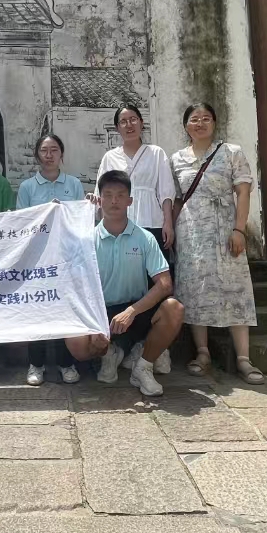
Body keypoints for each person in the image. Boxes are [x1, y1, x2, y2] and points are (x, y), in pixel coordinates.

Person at [63, 170, 185, 396]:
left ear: (130, 200)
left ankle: (143, 366)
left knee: (174, 308)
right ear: (99, 200)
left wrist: (132, 311)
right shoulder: (87, 241)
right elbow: (77, 288)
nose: (114, 201)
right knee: (76, 342)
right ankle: (109, 353)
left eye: (120, 195)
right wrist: (95, 323)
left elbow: (165, 284)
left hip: (137, 310)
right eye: (108, 195)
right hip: (103, 312)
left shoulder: (145, 238)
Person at [169, 102, 263, 383]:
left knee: (235, 288)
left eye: (206, 118)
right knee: (196, 290)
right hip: (191, 234)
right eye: (194, 119)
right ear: (185, 125)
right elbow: (176, 200)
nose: (200, 123)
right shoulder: (176, 159)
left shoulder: (231, 152)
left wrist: (239, 230)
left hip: (225, 230)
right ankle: (202, 352)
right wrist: (173, 232)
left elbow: (243, 192)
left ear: (214, 123)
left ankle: (244, 358)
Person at [93, 104, 177, 373]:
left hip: (151, 223)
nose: (128, 125)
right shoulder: (110, 156)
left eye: (133, 119)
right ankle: (123, 348)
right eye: (123, 121)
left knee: (154, 287)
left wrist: (167, 222)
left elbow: (165, 190)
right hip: (120, 225)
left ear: (141, 123)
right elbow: (101, 192)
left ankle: (154, 348)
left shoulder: (156, 153)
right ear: (117, 127)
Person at [17, 133, 87, 386]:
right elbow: (22, 223)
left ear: (61, 154)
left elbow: (80, 220)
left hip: (65, 258)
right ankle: (36, 364)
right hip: (37, 260)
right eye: (44, 150)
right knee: (36, 310)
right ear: (37, 155)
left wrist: (63, 212)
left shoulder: (74, 184)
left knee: (64, 310)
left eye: (54, 150)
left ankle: (66, 364)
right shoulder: (27, 187)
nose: (49, 155)